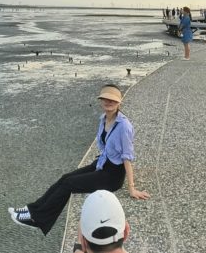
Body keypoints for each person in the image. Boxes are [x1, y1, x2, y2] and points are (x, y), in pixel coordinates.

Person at [9, 84, 148, 233]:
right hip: (102, 164)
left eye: (113, 100)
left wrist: (132, 188)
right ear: (101, 101)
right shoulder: (103, 119)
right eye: (105, 99)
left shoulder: (124, 126)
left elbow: (127, 157)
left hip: (112, 176)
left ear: (119, 102)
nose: (109, 103)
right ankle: (32, 210)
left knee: (69, 184)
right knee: (65, 177)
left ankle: (38, 219)